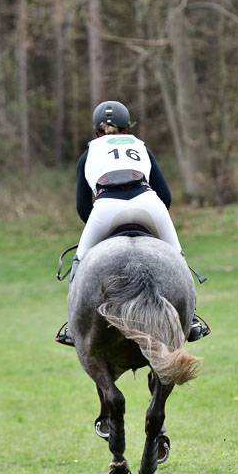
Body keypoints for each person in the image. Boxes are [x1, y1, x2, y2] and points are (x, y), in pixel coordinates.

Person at [55, 100, 210, 346]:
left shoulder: (88, 154)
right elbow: (166, 197)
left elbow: (83, 208)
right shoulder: (142, 149)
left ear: (97, 131)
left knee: (80, 263)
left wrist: (101, 227)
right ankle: (190, 321)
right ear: (127, 129)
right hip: (148, 204)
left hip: (106, 208)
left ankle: (73, 328)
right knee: (178, 258)